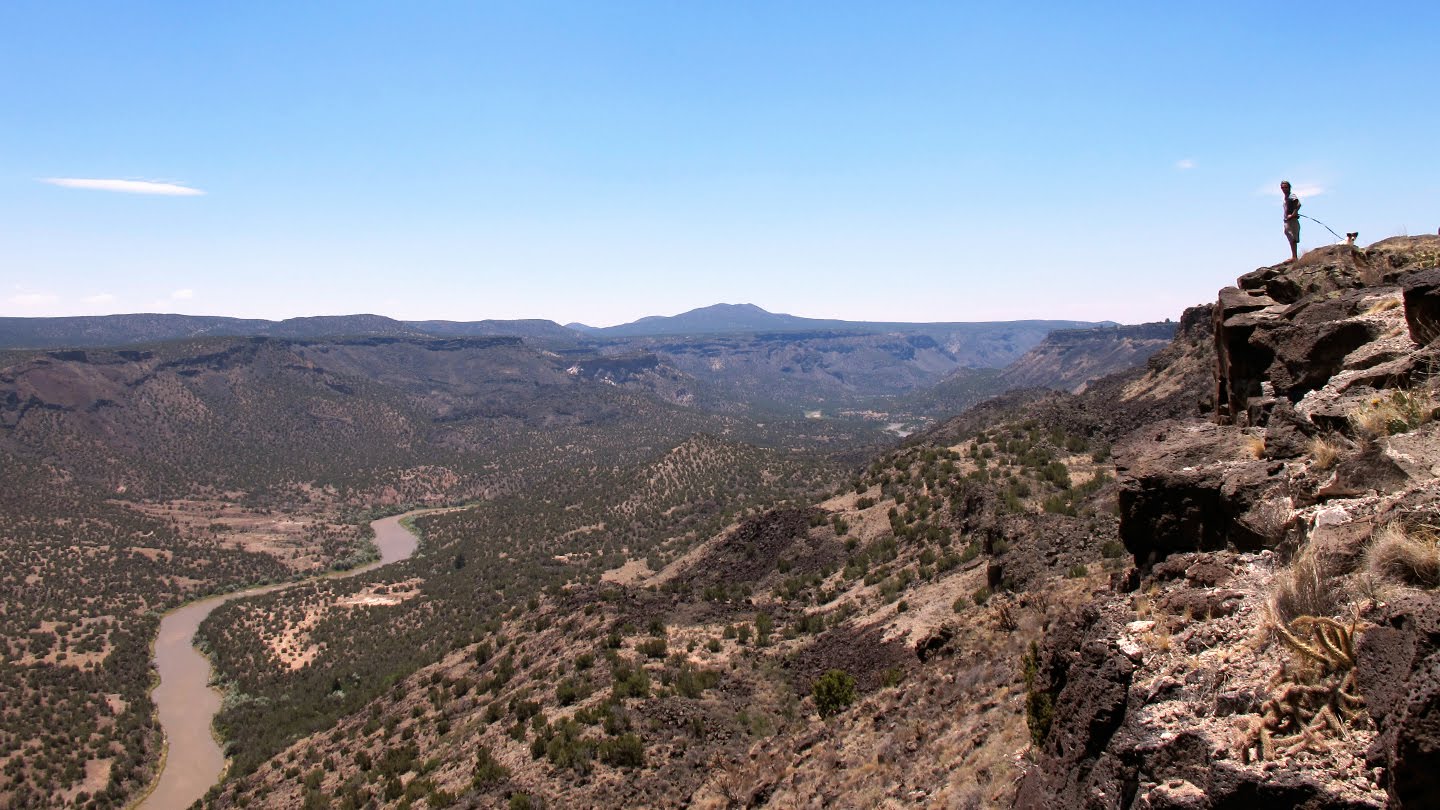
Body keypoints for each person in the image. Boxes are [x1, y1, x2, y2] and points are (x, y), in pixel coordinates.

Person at [1281, 181, 1301, 261]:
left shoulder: (1291, 195)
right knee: (1289, 235)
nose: (1284, 189)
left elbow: (1298, 204)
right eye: (1282, 187)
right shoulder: (1285, 197)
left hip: (1291, 220)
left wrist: (1293, 214)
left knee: (1292, 237)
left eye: (1285, 187)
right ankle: (1294, 256)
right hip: (1287, 220)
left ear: (1289, 187)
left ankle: (1294, 257)